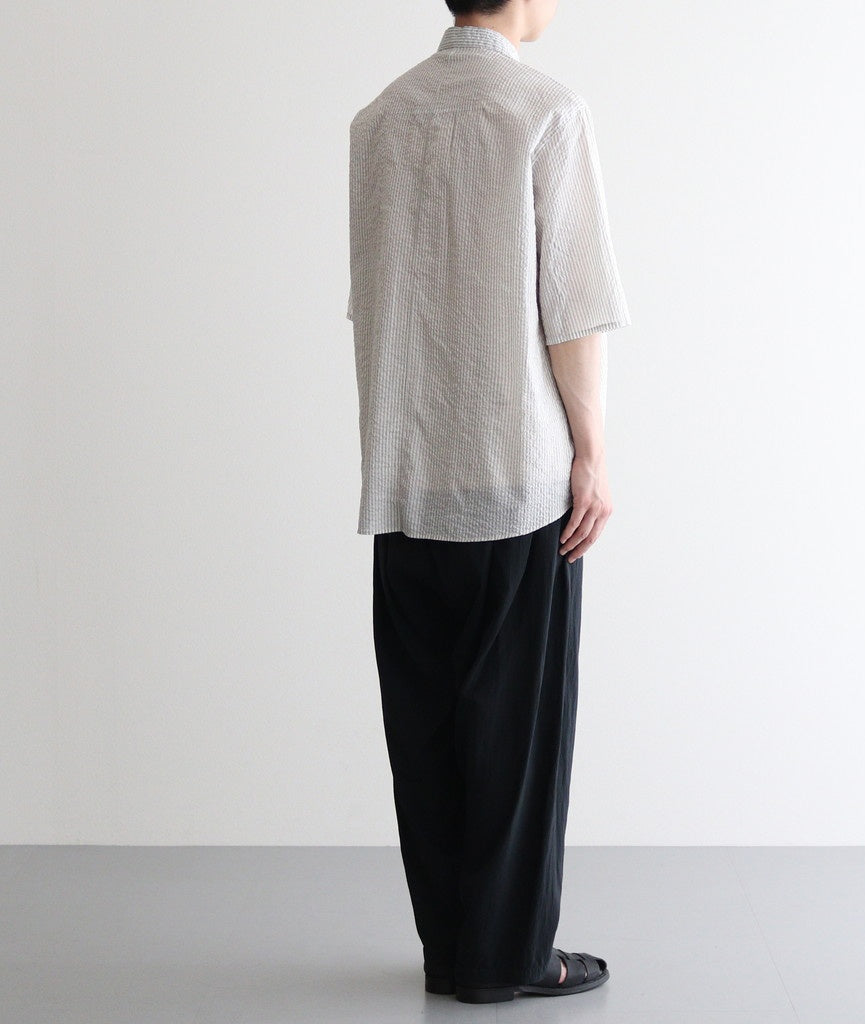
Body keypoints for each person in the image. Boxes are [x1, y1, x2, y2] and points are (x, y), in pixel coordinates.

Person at [347, 0, 631, 1004]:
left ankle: (453, 948)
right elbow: (574, 306)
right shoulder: (545, 111)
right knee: (519, 734)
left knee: (425, 734)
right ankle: (510, 958)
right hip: (518, 474)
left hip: (411, 472)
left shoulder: (379, 120)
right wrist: (592, 454)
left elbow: (375, 296)